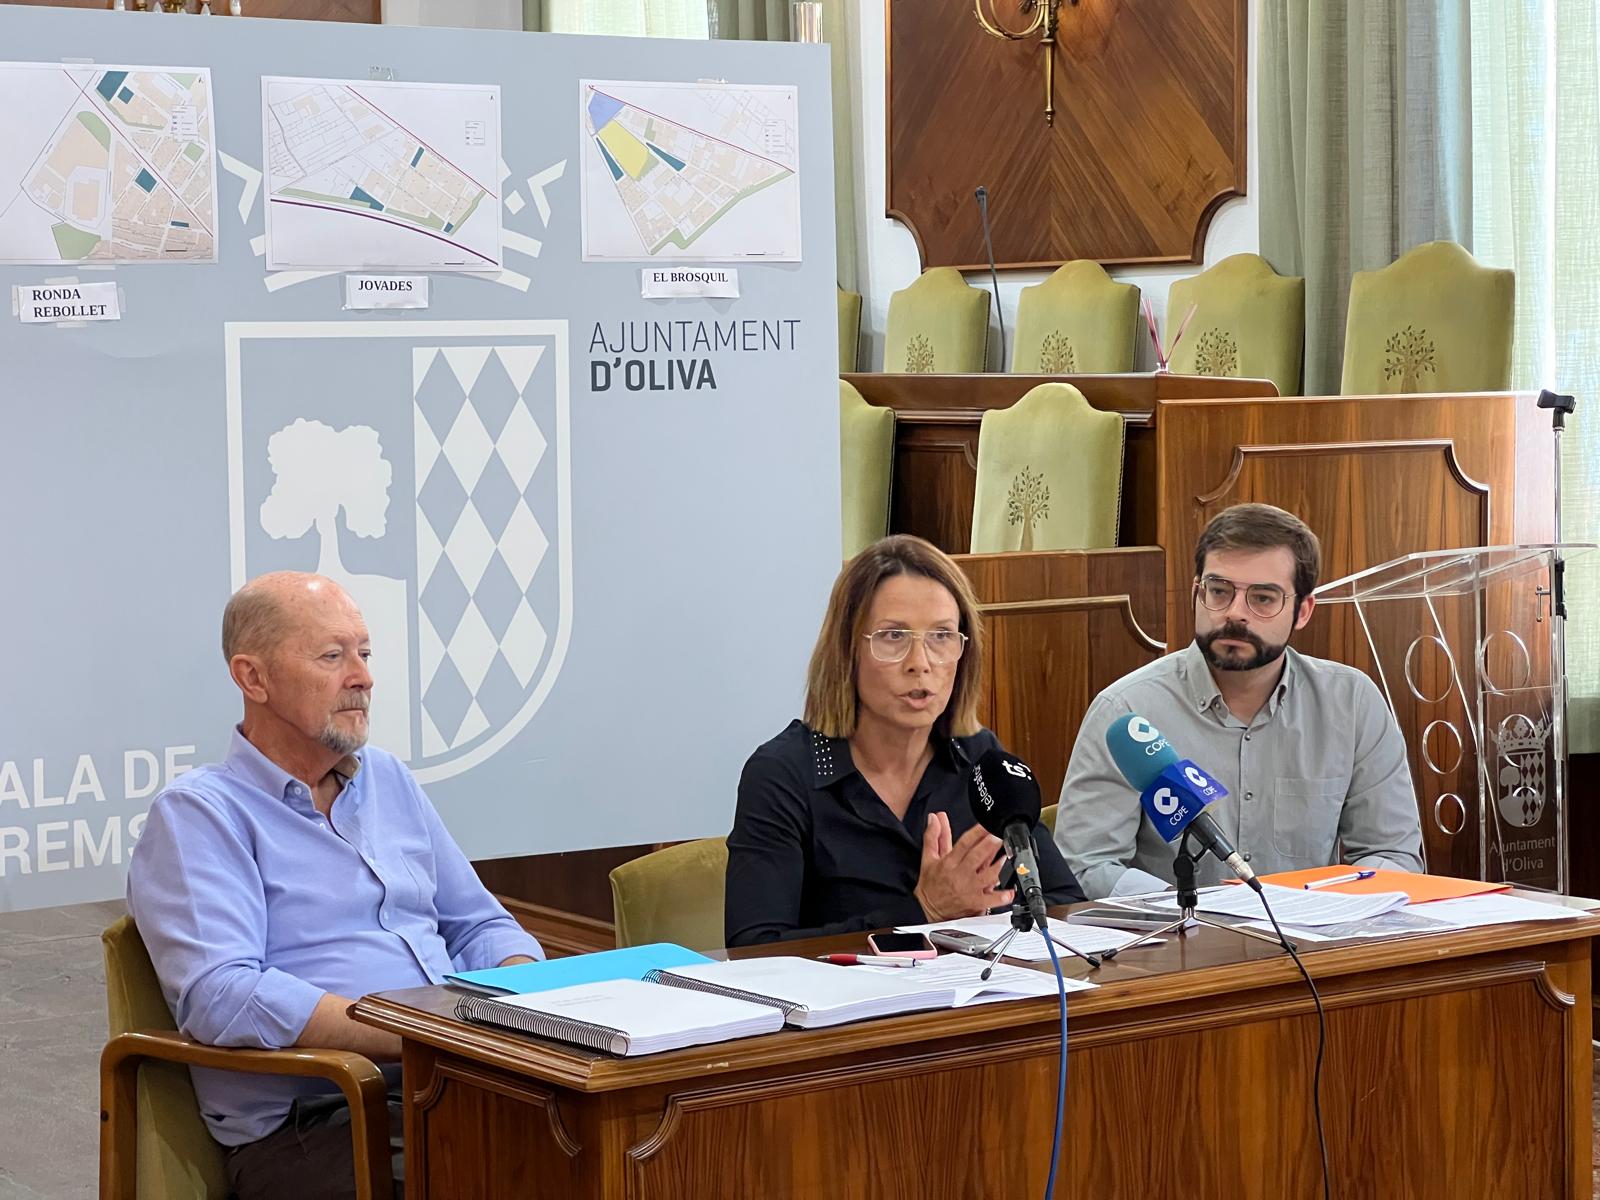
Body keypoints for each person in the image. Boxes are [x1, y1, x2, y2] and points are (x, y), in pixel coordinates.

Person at [127, 572, 543, 1200]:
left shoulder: (390, 782)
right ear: (253, 678)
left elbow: (478, 925)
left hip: (451, 1085)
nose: (363, 677)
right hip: (319, 1123)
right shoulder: (201, 814)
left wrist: (516, 1001)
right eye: (332, 656)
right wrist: (423, 1031)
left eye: (365, 654)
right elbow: (223, 994)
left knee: (619, 1152)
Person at [725, 535, 1082, 946]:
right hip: (854, 1009)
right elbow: (754, 951)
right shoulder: (784, 774)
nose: (920, 663)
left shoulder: (980, 760)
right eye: (893, 636)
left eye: (942, 636)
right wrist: (923, 910)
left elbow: (1062, 904)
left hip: (983, 1000)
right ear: (847, 651)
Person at [1055, 503, 1424, 899]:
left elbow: (1393, 853)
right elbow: (1086, 863)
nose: (1234, 613)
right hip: (1177, 948)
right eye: (1219, 591)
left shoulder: (1352, 704)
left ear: (1302, 611)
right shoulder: (1126, 712)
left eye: (1263, 599)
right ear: (1197, 594)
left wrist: (1335, 906)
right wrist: (1188, 914)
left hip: (1315, 944)